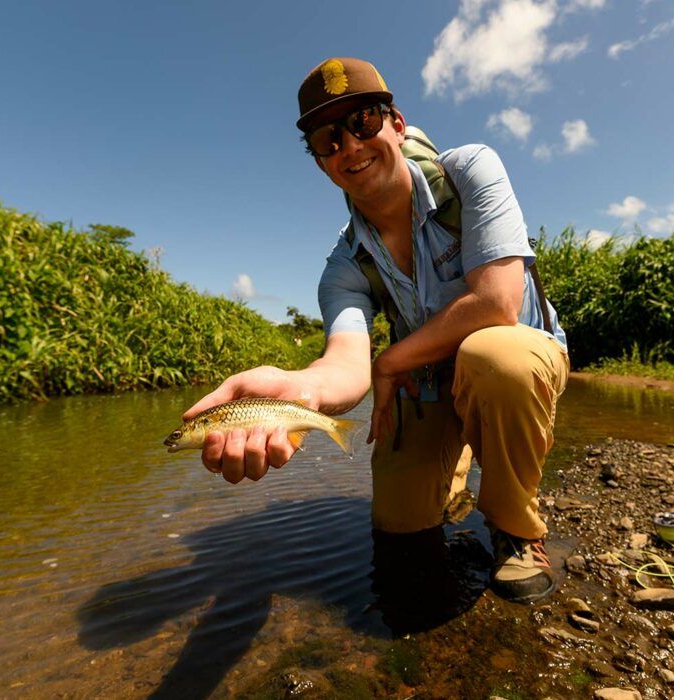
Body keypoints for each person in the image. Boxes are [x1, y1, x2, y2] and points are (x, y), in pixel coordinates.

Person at [182, 57, 569, 604]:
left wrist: (389, 362)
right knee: (399, 532)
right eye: (327, 139)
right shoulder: (344, 266)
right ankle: (453, 463)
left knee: (494, 355)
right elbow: (343, 362)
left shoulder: (470, 170)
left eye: (363, 122)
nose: (350, 147)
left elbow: (497, 301)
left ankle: (516, 526)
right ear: (319, 161)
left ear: (396, 123)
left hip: (516, 363)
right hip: (429, 383)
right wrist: (301, 392)